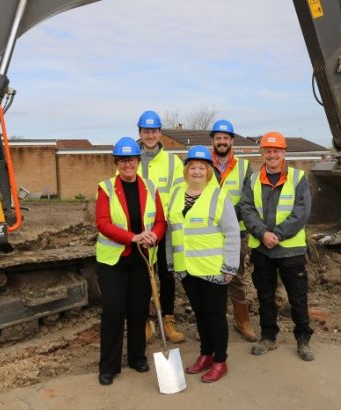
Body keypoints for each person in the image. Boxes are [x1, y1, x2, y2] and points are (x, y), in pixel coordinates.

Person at [95, 136, 167, 386]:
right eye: (123, 160)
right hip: (113, 261)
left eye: (132, 160)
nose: (128, 165)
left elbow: (160, 221)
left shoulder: (149, 186)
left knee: (139, 310)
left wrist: (153, 237)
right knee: (113, 311)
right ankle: (109, 365)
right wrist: (132, 237)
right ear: (117, 162)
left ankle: (137, 357)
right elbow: (103, 223)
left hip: (142, 259)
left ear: (138, 161)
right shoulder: (105, 188)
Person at [165, 145, 240, 382]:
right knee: (199, 314)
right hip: (186, 268)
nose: (196, 171)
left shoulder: (218, 196)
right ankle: (206, 354)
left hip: (212, 269)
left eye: (201, 167)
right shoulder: (177, 194)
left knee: (215, 315)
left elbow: (232, 232)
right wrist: (171, 261)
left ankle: (220, 360)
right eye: (192, 167)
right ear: (186, 170)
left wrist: (230, 266)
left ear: (209, 171)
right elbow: (171, 231)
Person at [240, 132, 315, 361]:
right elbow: (247, 208)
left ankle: (303, 340)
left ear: (284, 152)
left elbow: (301, 212)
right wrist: (263, 234)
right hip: (263, 249)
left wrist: (278, 234)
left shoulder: (298, 178)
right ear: (262, 153)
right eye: (268, 151)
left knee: (298, 297)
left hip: (291, 250)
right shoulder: (253, 179)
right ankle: (268, 337)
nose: (272, 155)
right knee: (265, 296)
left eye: (276, 151)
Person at [136, 110, 186, 343]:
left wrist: (170, 223)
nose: (150, 135)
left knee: (166, 277)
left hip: (164, 227)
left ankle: (167, 319)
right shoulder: (130, 159)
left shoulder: (172, 162)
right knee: (145, 275)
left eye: (154, 131)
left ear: (159, 133)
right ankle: (145, 321)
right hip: (141, 229)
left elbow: (179, 194)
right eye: (146, 131)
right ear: (140, 133)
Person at [208, 119, 257, 342]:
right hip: (207, 232)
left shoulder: (244, 167)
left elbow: (248, 201)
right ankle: (211, 323)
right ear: (213, 141)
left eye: (225, 138)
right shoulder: (201, 164)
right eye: (218, 138)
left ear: (231, 140)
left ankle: (242, 321)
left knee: (236, 276)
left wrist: (227, 219)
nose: (221, 141)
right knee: (208, 277)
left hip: (237, 232)